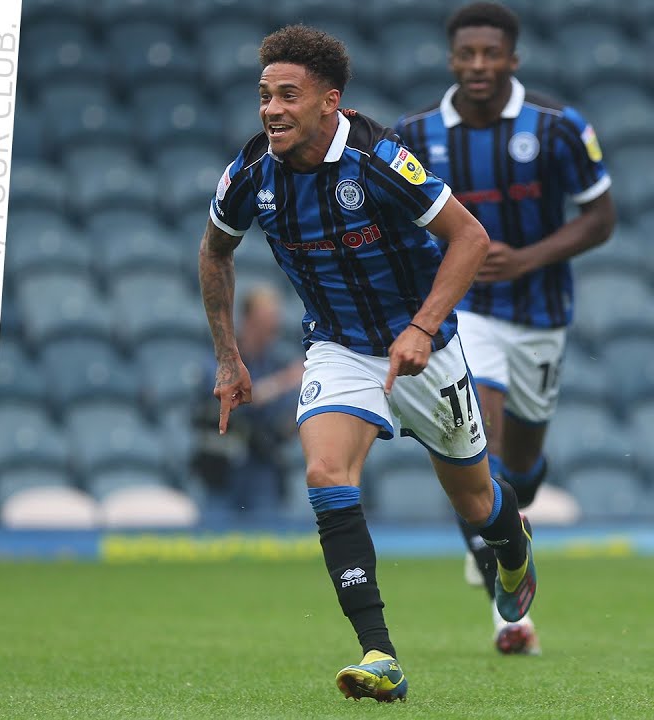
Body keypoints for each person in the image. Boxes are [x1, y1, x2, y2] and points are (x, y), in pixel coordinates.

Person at [198, 24, 537, 703]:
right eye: (264, 96)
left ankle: (514, 549)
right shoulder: (252, 173)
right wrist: (230, 358)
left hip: (425, 352)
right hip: (339, 346)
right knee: (325, 471)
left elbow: (469, 237)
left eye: (288, 96)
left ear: (330, 101)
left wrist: (423, 326)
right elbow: (215, 251)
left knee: (474, 500)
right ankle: (379, 653)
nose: (271, 110)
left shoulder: (382, 160)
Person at [394, 2, 615, 656]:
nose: (479, 65)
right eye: (468, 54)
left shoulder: (558, 128)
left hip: (543, 316)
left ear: (513, 59)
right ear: (452, 59)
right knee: (480, 447)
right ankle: (508, 612)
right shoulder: (416, 134)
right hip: (469, 315)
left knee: (520, 462)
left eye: (492, 54)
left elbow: (601, 218)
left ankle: (497, 526)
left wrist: (525, 258)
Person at [189, 283, 303, 521]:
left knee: (267, 540)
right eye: (267, 319)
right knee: (216, 539)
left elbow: (287, 418)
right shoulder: (222, 358)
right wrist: (282, 382)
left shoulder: (275, 361)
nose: (274, 326)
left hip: (262, 466)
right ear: (249, 319)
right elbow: (230, 397)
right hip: (223, 467)